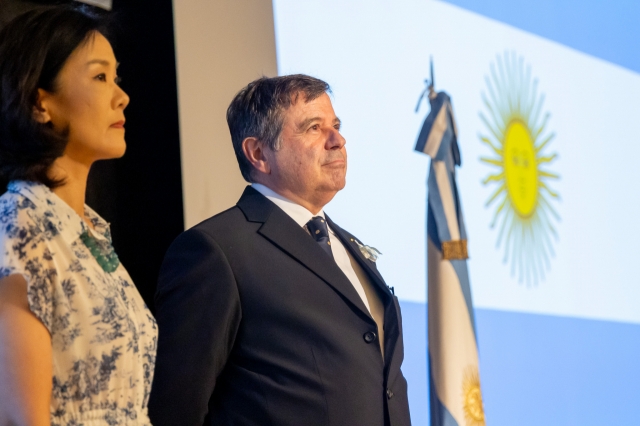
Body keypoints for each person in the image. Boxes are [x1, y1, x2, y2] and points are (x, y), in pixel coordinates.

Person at [149, 75, 412, 426]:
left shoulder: (348, 246)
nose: (337, 140)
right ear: (258, 153)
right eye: (314, 128)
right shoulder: (216, 251)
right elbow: (176, 409)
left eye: (336, 125)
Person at [0, 6, 157, 425]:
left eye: (116, 78)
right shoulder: (20, 225)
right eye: (100, 77)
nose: (121, 95)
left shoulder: (89, 231)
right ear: (40, 103)